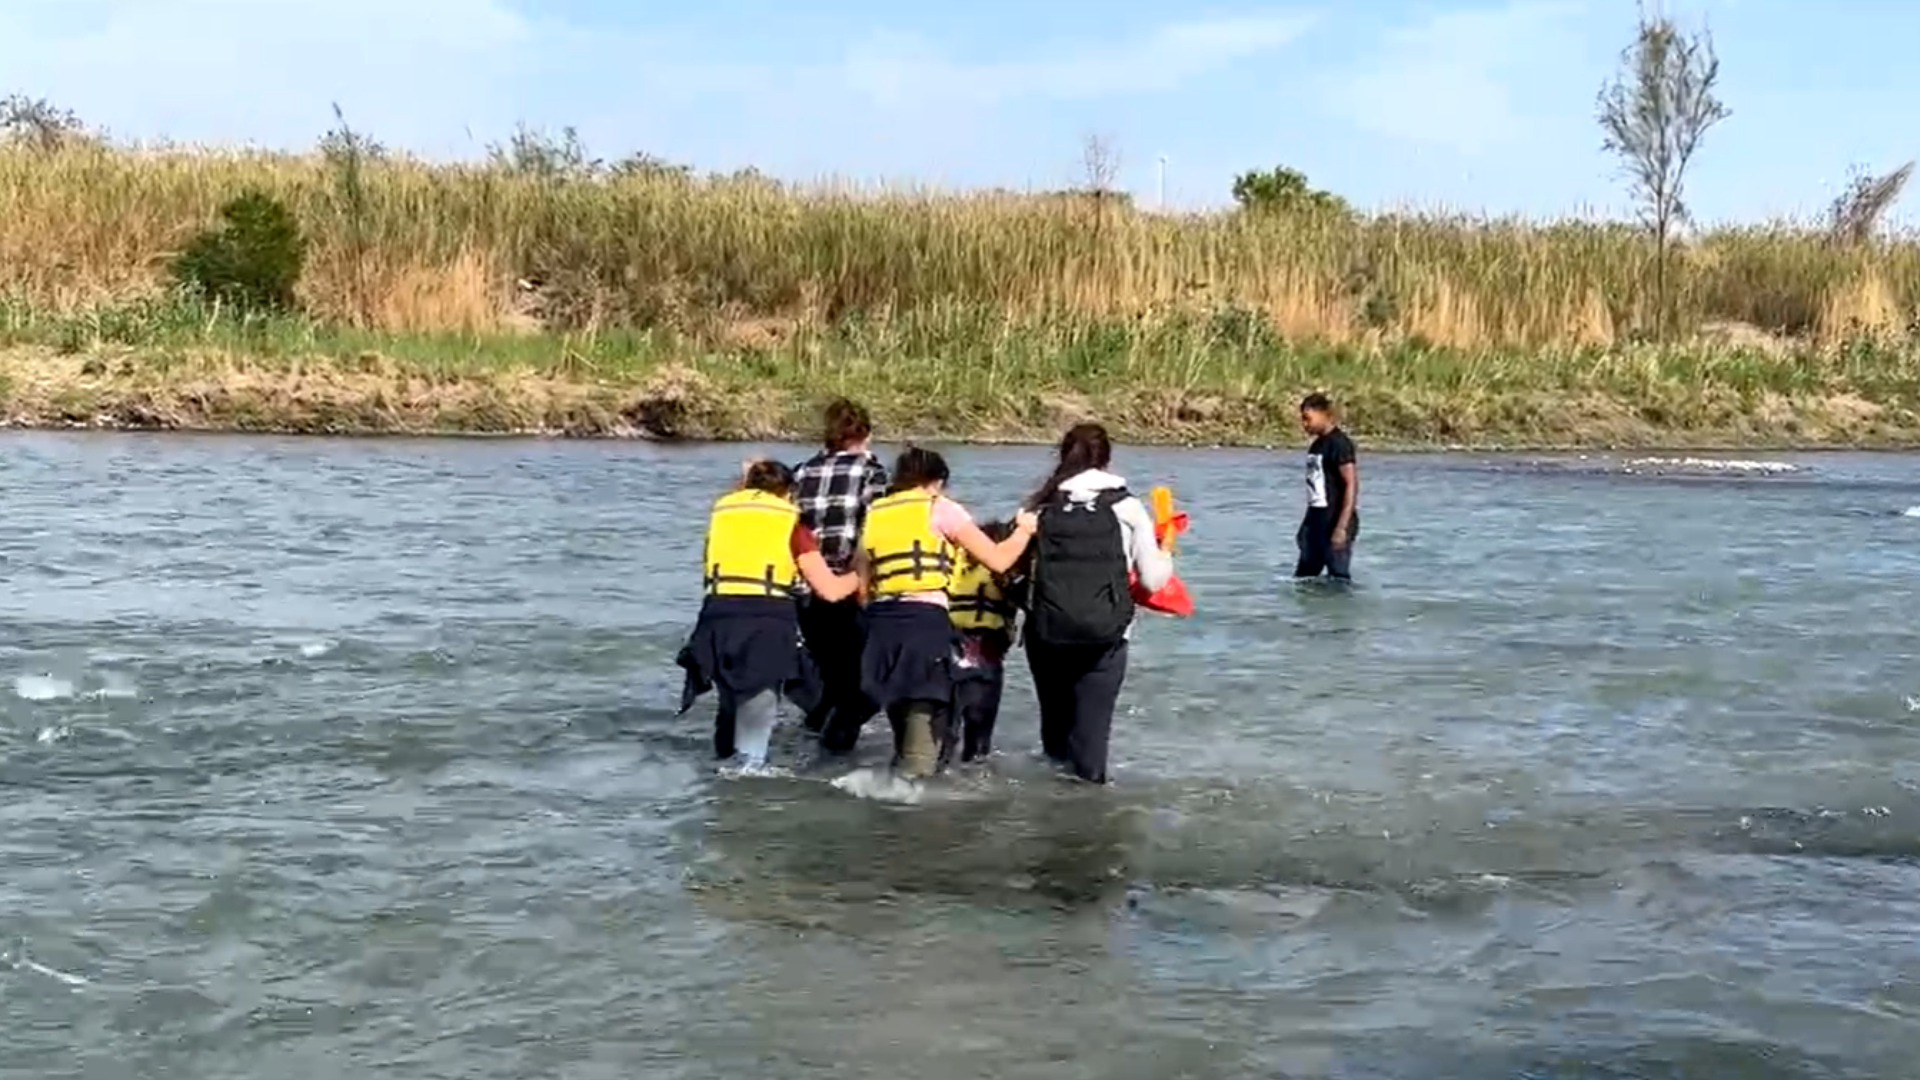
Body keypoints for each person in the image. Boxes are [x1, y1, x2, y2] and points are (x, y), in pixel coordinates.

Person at [854, 448, 1038, 779]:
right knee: (924, 730)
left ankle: (895, 789)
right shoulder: (940, 508)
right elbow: (997, 560)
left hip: (880, 626)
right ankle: (914, 807)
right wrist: (1024, 530)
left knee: (901, 724)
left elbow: (862, 587)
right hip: (922, 624)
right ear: (937, 482)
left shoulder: (876, 511)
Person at [676, 460, 860, 772]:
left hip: (717, 618)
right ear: (788, 494)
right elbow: (830, 591)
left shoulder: (724, 517)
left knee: (730, 708)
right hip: (765, 622)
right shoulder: (792, 526)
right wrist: (862, 573)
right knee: (755, 734)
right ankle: (747, 789)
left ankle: (720, 787)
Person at [1021, 423, 1174, 785]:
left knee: (1055, 737)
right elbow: (1153, 581)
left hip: (1046, 636)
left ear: (1063, 456)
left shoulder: (1040, 506)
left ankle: (1046, 818)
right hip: (1105, 639)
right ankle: (1087, 824)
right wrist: (1166, 550)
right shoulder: (1127, 507)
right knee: (1090, 749)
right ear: (1106, 459)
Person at [791, 398, 889, 746]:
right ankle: (833, 751)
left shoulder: (801, 471)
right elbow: (874, 531)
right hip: (849, 588)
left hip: (806, 590)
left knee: (831, 679)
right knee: (868, 687)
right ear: (865, 433)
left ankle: (815, 742)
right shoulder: (870, 471)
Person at [945, 519, 1023, 765]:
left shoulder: (951, 567)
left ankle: (938, 772)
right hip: (987, 655)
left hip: (950, 651)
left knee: (946, 728)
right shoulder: (1004, 574)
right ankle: (974, 777)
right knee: (979, 736)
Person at [1295, 392, 1359, 580]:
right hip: (1316, 524)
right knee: (1304, 580)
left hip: (1336, 522)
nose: (1305, 424)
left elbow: (1351, 485)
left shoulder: (1340, 444)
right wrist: (1305, 527)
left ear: (1324, 414)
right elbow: (1315, 492)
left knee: (1338, 580)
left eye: (1308, 419)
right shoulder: (1316, 446)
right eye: (1303, 420)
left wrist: (1341, 527)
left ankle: (1340, 610)